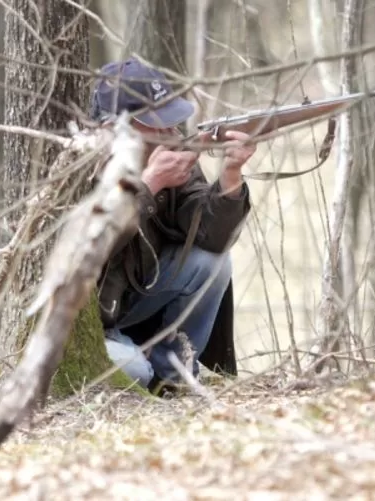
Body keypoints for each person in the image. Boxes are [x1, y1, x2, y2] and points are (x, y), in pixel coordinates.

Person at [89, 57, 255, 394]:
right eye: (155, 123)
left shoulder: (168, 150)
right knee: (133, 372)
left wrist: (230, 175)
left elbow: (211, 238)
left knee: (214, 264)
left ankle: (174, 373)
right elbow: (90, 251)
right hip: (89, 320)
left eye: (170, 121)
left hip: (135, 302)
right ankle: (144, 362)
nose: (169, 132)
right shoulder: (81, 169)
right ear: (114, 127)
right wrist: (148, 186)